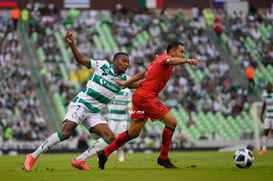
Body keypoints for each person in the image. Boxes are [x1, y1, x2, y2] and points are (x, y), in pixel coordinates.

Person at [24, 30, 131, 171]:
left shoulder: (125, 80)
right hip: (81, 104)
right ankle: (32, 156)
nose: (126, 64)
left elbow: (141, 83)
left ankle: (80, 160)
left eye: (128, 62)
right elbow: (81, 60)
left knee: (109, 137)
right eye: (123, 61)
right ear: (115, 61)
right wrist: (72, 44)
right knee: (66, 133)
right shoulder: (102, 66)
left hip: (94, 111)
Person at [97, 40, 198, 169]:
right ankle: (163, 158)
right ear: (172, 52)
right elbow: (168, 60)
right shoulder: (166, 59)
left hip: (140, 97)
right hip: (145, 97)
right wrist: (187, 61)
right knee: (172, 123)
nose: (183, 55)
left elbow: (143, 75)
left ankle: (105, 153)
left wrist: (126, 84)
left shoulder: (160, 60)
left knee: (133, 132)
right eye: (181, 52)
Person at [108, 88, 131, 162]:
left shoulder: (127, 91)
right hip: (112, 117)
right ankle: (106, 153)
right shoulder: (111, 88)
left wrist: (129, 107)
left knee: (121, 137)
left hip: (123, 118)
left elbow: (129, 102)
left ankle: (121, 153)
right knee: (109, 137)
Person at [259, 82, 273, 155]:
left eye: (269, 86)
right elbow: (264, 105)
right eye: (267, 86)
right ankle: (264, 149)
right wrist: (261, 115)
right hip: (268, 116)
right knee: (266, 131)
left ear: (272, 87)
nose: (268, 87)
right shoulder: (264, 95)